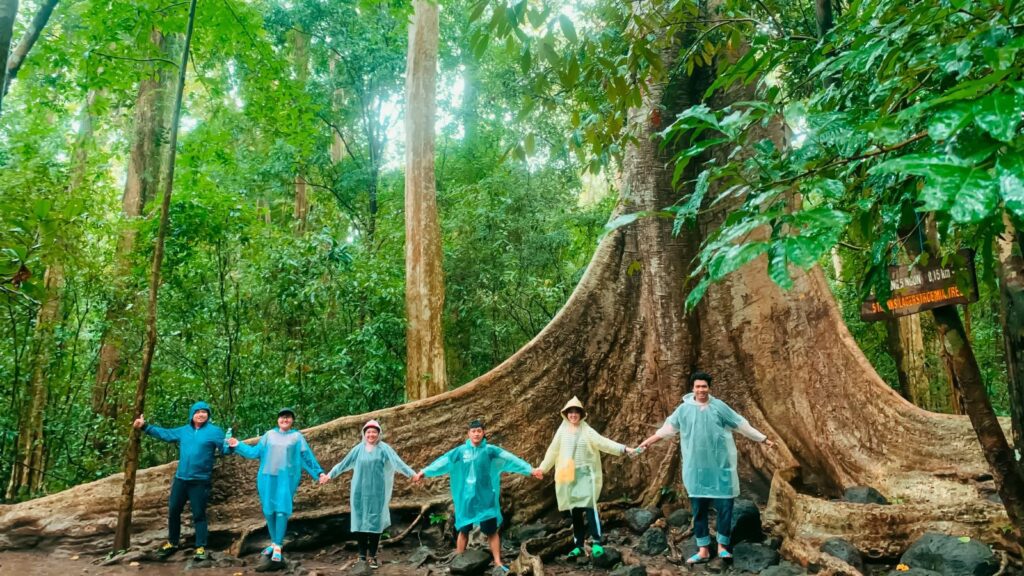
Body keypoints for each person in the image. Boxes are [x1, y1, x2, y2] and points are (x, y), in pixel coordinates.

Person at [636, 371, 774, 564]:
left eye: (704, 386)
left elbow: (741, 424)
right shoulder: (684, 410)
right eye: (698, 386)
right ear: (692, 388)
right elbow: (667, 430)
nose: (701, 390)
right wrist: (647, 442)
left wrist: (763, 439)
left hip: (720, 467)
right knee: (699, 510)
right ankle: (703, 549)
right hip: (696, 469)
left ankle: (722, 546)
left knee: (725, 507)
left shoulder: (719, 407)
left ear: (709, 388)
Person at [412, 419, 543, 572]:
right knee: (463, 530)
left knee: (492, 531)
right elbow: (443, 462)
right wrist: (424, 472)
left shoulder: (490, 450)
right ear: (468, 434)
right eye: (473, 431)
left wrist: (530, 470)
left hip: (485, 497)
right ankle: (459, 561)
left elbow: (510, 459)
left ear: (483, 433)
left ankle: (498, 562)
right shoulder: (460, 451)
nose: (476, 434)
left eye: (479, 431)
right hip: (467, 499)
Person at [226, 407, 328, 566]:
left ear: (292, 420)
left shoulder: (296, 437)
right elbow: (254, 453)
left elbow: (306, 456)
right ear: (277, 420)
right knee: (268, 511)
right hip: (267, 478)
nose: (285, 420)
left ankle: (279, 546)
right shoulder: (269, 435)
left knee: (282, 511)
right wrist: (237, 444)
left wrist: (319, 473)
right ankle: (273, 543)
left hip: (286, 479)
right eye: (282, 417)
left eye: (288, 417)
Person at [539, 396, 634, 560]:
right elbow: (553, 451)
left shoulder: (586, 430)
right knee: (575, 511)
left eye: (576, 412)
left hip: (586, 475)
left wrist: (624, 449)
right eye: (571, 412)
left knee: (590, 508)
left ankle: (597, 542)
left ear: (581, 414)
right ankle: (579, 546)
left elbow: (603, 442)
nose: (573, 415)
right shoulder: (562, 431)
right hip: (570, 476)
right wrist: (542, 468)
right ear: (566, 414)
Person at [133, 401, 226, 562]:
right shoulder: (184, 431)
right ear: (192, 414)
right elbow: (166, 434)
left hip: (200, 481)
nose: (201, 414)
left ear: (208, 415)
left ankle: (200, 547)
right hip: (181, 479)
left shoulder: (215, 432)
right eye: (198, 412)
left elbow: (224, 450)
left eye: (204, 412)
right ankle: (173, 542)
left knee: (199, 515)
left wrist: (231, 445)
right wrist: (145, 426)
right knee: (174, 511)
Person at [326, 419, 415, 569]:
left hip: (377, 492)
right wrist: (329, 475)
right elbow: (343, 464)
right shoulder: (357, 449)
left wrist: (412, 474)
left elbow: (397, 462)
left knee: (375, 524)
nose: (371, 434)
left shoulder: (384, 449)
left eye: (374, 432)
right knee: (360, 523)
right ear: (364, 433)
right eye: (368, 432)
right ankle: (361, 556)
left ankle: (372, 556)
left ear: (379, 434)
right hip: (359, 492)